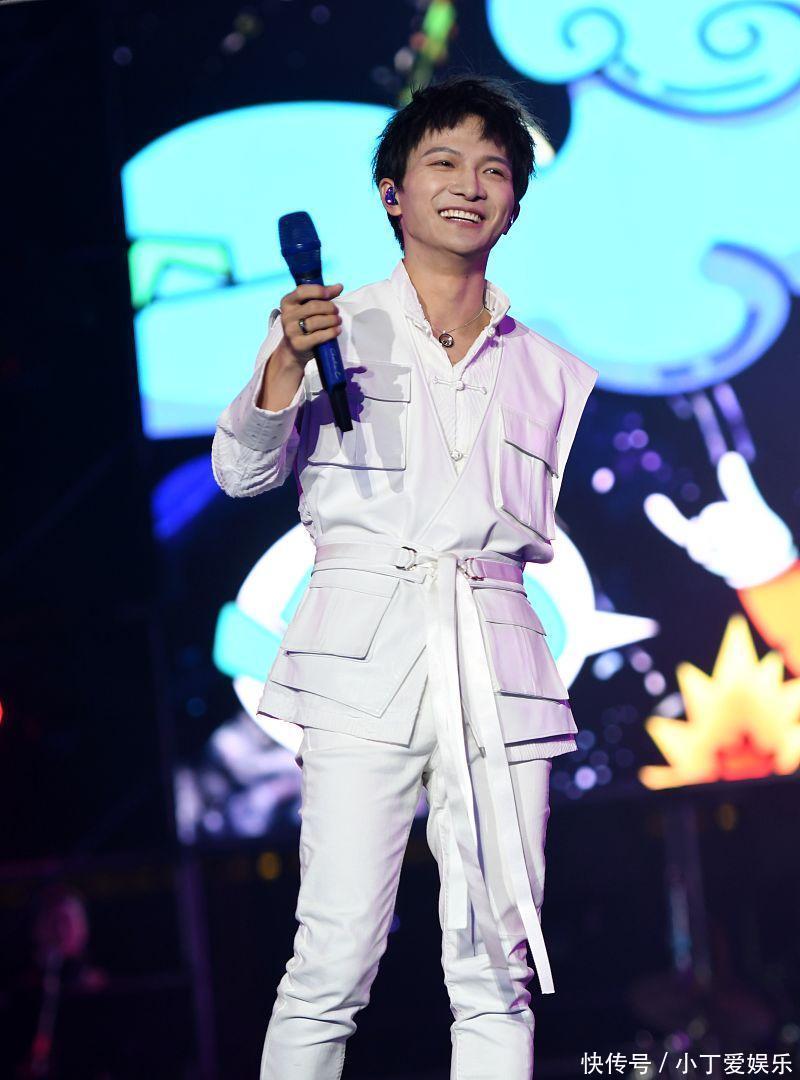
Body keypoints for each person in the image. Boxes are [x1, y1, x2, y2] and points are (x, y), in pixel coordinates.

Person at [212, 73, 598, 1080]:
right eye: (443, 163)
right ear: (393, 194)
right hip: (359, 660)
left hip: (499, 665)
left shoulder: (552, 371)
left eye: (493, 170)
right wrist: (283, 369)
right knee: (331, 961)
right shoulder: (328, 326)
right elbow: (241, 473)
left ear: (514, 204)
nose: (469, 185)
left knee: (498, 968)